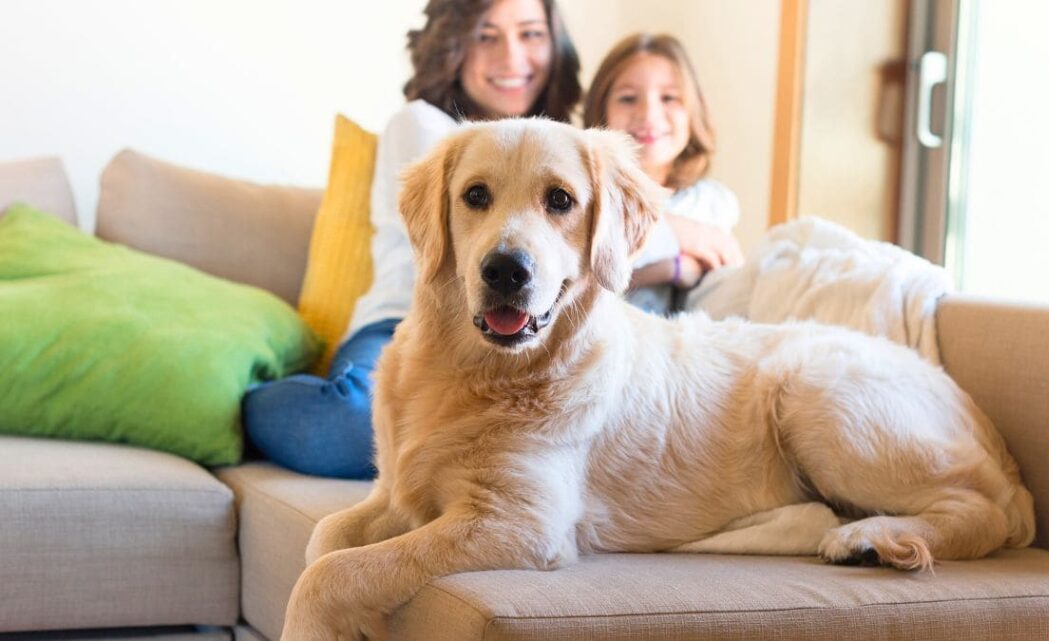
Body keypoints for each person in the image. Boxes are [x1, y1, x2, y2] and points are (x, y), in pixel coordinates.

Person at [241, 0, 582, 479]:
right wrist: (680, 246)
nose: (511, 56)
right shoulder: (425, 126)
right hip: (403, 325)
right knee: (349, 425)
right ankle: (234, 401)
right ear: (453, 43)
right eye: (487, 35)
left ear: (555, 45)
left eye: (530, 34)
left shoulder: (574, 152)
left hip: (528, 333)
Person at [584, 33, 744, 314]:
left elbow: (725, 278)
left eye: (669, 98)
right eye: (628, 98)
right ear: (601, 110)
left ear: (694, 113)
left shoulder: (711, 202)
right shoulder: (584, 195)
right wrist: (672, 268)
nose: (648, 113)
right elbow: (585, 272)